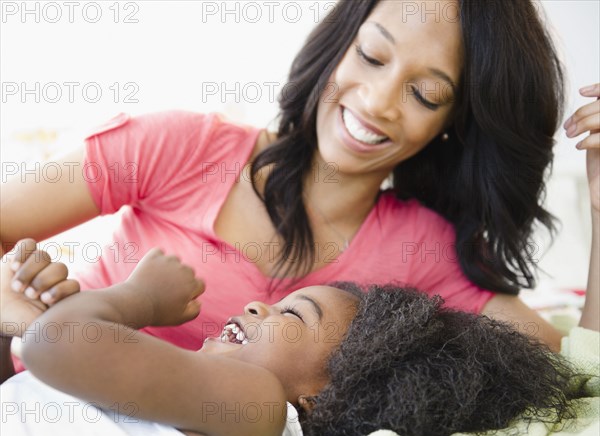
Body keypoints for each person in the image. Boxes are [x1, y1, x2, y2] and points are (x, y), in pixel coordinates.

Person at [1, 0, 598, 356]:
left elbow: (578, 367)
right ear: (339, 45)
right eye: (370, 56)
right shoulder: (181, 146)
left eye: (425, 93)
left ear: (451, 123)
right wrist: (40, 319)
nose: (377, 101)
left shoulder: (424, 250)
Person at [0, 229, 592, 436]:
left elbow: (54, 346)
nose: (257, 303)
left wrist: (137, 299)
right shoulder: (212, 402)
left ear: (321, 398)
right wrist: (34, 314)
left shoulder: (255, 409)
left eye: (294, 313)